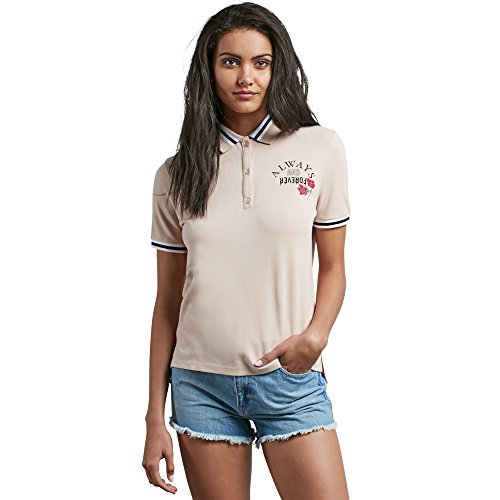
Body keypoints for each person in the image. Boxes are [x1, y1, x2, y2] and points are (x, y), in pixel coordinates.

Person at [142, 2, 351, 498]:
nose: (245, 77)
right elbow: (168, 302)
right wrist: (154, 416)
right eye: (230, 61)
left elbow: (334, 267)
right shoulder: (175, 174)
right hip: (200, 385)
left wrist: (316, 336)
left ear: (278, 68)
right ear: (209, 70)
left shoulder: (320, 148)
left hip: (290, 380)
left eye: (261, 62)